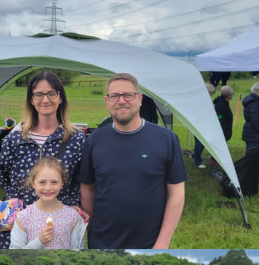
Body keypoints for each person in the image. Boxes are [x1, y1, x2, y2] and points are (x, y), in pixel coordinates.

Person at [0, 72, 88, 249]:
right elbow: (2, 172)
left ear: (60, 98)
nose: (45, 99)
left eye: (51, 93)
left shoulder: (75, 139)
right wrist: (17, 198)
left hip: (56, 217)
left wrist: (72, 202)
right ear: (31, 99)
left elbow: (78, 177)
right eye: (38, 94)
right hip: (18, 217)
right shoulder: (15, 138)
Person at [80, 73, 187, 249]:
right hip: (101, 243)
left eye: (128, 95)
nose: (121, 101)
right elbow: (87, 188)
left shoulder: (166, 139)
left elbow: (177, 194)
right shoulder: (94, 140)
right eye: (114, 96)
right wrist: (90, 230)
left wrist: (162, 243)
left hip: (149, 243)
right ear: (106, 101)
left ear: (140, 98)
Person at [10, 156, 86, 249]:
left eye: (54, 182)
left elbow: (77, 252)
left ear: (62, 182)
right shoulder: (24, 217)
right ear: (33, 183)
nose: (48, 188)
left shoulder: (73, 217)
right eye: (42, 182)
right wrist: (39, 241)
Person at [192, 84, 216, 169]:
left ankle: (194, 155)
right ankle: (198, 162)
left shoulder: (207, 99)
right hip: (198, 124)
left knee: (203, 143)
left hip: (205, 124)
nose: (212, 95)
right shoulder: (199, 100)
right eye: (211, 93)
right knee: (198, 144)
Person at [242, 82, 259, 153]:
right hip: (253, 133)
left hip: (252, 132)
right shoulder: (253, 103)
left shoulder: (255, 101)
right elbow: (255, 120)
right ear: (257, 91)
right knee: (252, 155)